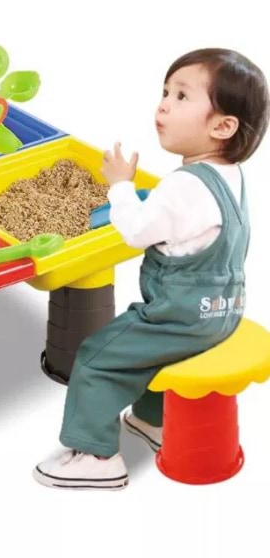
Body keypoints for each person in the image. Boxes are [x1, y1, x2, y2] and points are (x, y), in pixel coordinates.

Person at [34, 48, 270, 491]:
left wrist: (120, 187)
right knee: (142, 343)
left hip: (180, 318)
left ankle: (97, 457)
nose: (162, 105)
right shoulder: (230, 177)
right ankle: (152, 419)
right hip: (221, 311)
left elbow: (136, 232)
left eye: (181, 96)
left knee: (98, 356)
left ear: (222, 127)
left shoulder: (183, 186)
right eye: (165, 92)